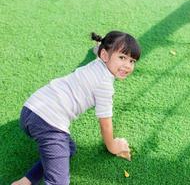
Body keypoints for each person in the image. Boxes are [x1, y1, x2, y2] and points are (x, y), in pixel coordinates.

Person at [11, 31, 141, 185]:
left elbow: (98, 51)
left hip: (29, 110)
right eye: (122, 58)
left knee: (69, 148)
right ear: (105, 56)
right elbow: (105, 122)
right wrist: (113, 146)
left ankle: (25, 181)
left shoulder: (99, 61)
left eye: (132, 61)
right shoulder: (105, 85)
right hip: (49, 125)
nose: (127, 65)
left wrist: (98, 47)